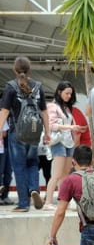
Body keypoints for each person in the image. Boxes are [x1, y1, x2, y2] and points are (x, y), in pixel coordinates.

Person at [0, 56, 51, 212]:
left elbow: (4, 111)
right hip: (34, 133)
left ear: (15, 70)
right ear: (29, 70)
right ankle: (34, 189)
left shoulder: (11, 87)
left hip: (17, 133)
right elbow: (44, 111)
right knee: (32, 163)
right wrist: (47, 132)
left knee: (19, 166)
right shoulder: (38, 87)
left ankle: (23, 203)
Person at [43, 81, 87, 210]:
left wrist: (75, 128)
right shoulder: (52, 106)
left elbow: (67, 125)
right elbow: (51, 125)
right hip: (59, 142)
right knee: (57, 174)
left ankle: (63, 201)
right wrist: (70, 126)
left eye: (70, 94)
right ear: (59, 92)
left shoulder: (66, 108)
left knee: (65, 174)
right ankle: (48, 202)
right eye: (66, 93)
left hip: (68, 142)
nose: (68, 96)